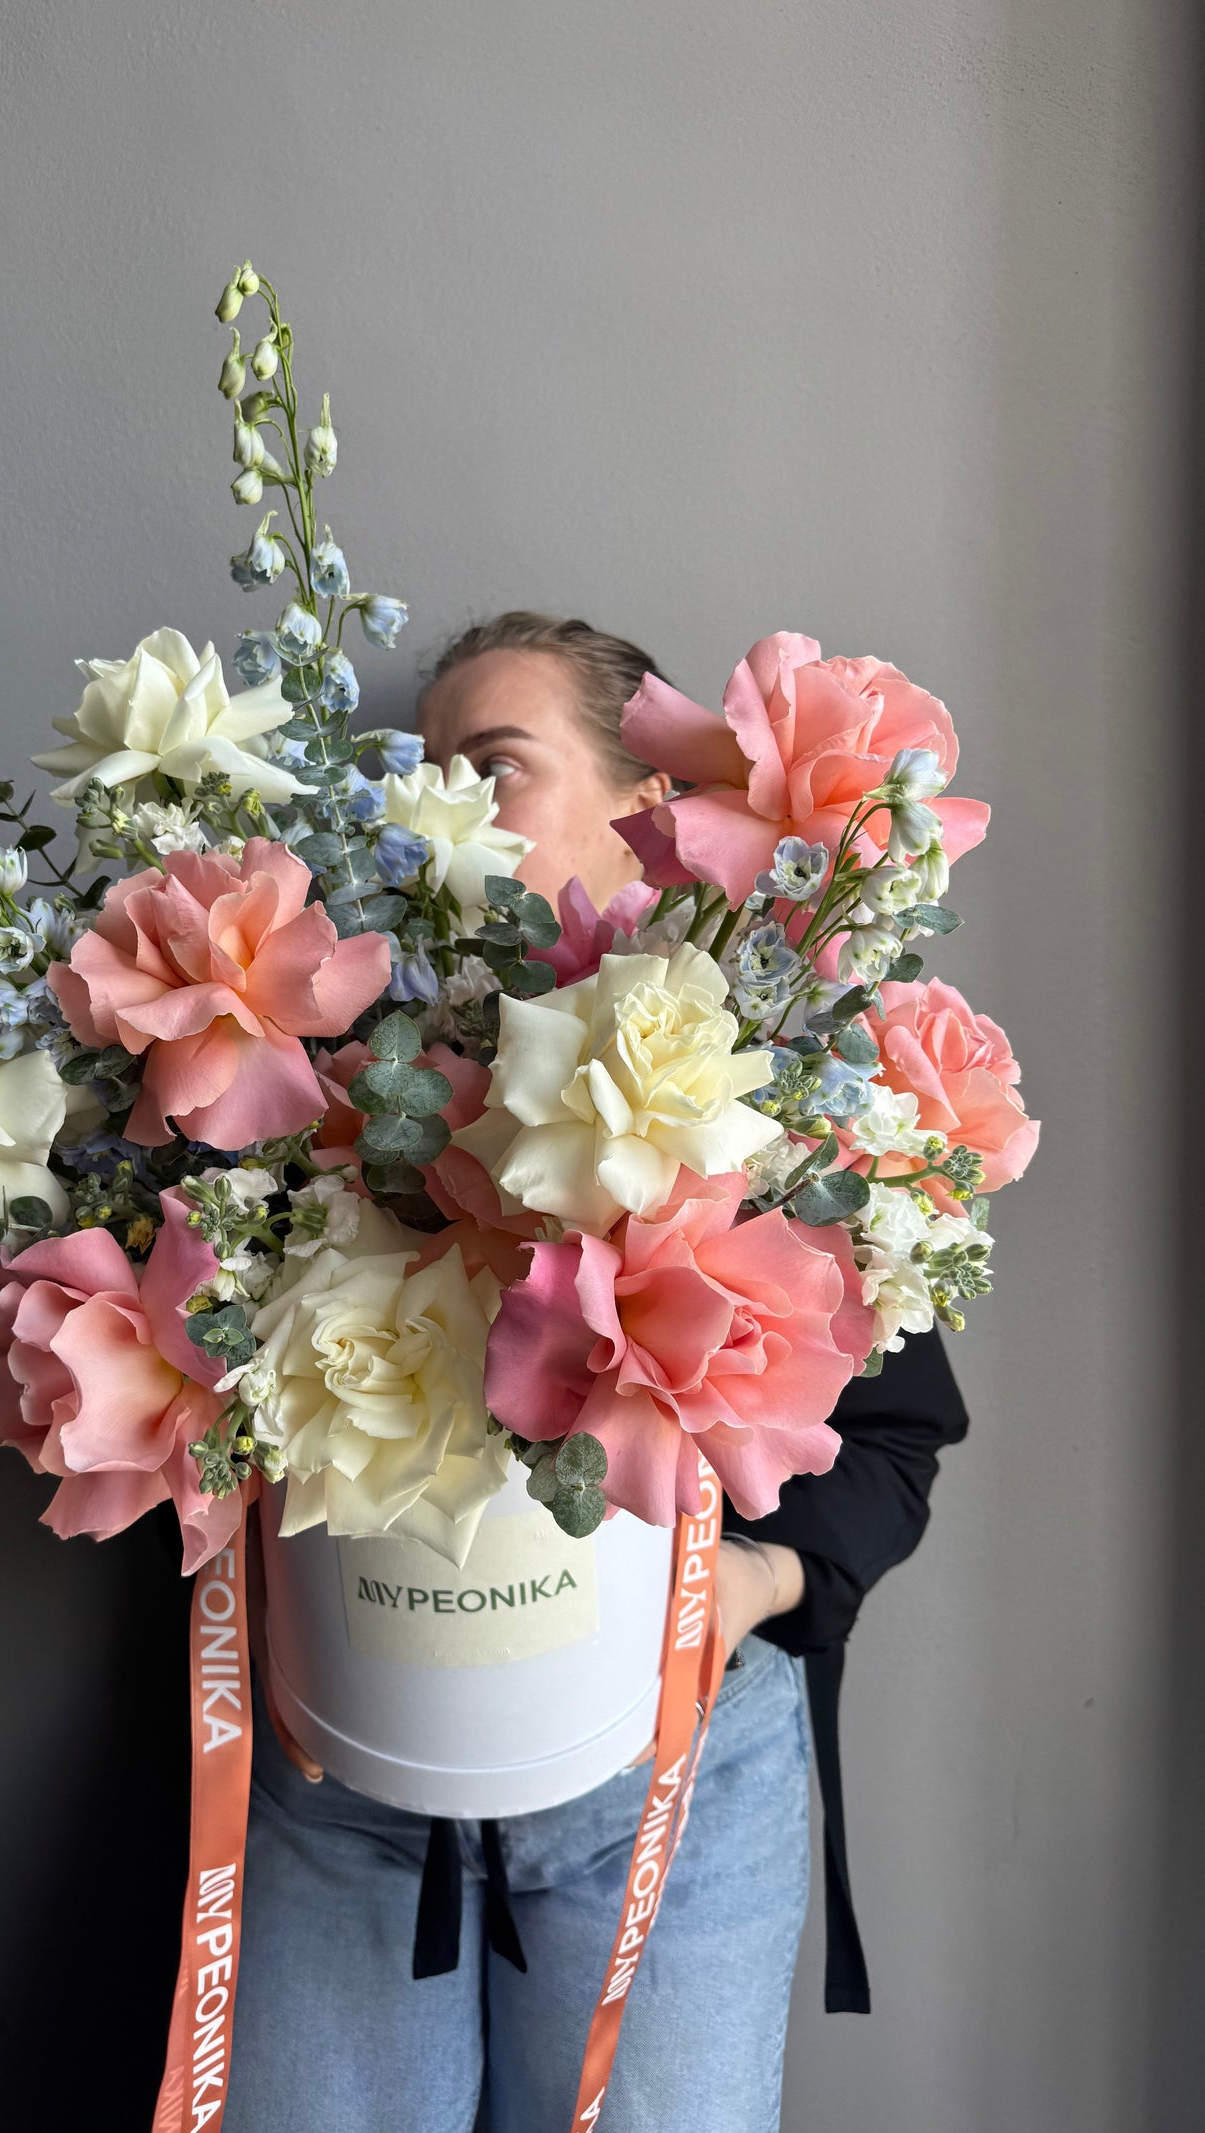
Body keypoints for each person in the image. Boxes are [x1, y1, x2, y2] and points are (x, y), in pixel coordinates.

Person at [222, 613, 969, 2133]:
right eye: (419, 770)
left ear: (644, 811)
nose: (438, 802)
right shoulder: (303, 1088)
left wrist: (731, 1596)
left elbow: (893, 1444)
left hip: (667, 1784)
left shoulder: (770, 1100)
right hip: (353, 1780)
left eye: (492, 765)